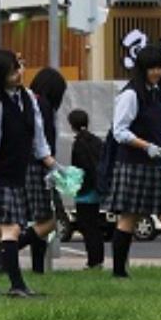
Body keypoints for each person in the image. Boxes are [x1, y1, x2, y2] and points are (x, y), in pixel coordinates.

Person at [0, 48, 61, 297]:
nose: (18, 73)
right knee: (10, 230)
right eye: (12, 71)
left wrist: (55, 166)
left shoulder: (29, 98)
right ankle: (17, 285)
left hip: (17, 176)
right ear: (0, 76)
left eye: (19, 68)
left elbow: (39, 141)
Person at [106, 44, 161, 279]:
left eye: (160, 68)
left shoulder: (156, 93)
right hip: (132, 164)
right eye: (151, 68)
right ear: (142, 69)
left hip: (153, 164)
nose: (156, 72)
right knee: (128, 217)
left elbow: (156, 131)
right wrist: (148, 146)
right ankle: (118, 272)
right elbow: (120, 131)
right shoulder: (131, 94)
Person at [21, 67, 67, 274]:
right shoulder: (43, 105)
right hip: (38, 166)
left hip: (29, 165)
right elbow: (41, 141)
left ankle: (37, 268)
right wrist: (53, 166)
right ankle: (8, 252)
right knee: (49, 220)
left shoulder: (30, 102)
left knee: (38, 220)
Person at [68, 107, 106, 269]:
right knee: (94, 225)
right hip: (96, 189)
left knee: (86, 226)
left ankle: (93, 261)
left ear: (72, 125)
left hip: (84, 191)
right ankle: (98, 259)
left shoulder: (78, 143)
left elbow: (79, 169)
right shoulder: (96, 141)